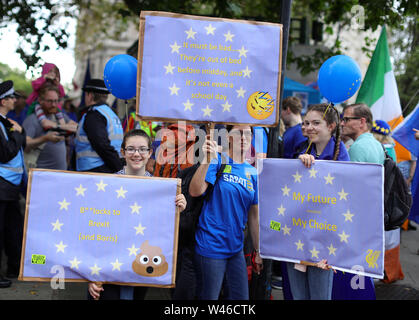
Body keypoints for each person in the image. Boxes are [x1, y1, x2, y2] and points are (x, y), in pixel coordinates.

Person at [87, 129, 186, 300]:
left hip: (141, 266)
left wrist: (178, 209)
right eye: (131, 149)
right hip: (108, 268)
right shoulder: (108, 186)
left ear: (150, 153)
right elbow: (96, 231)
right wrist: (92, 273)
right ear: (123, 152)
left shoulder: (161, 190)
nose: (136, 154)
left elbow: (164, 231)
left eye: (142, 149)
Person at [189, 125, 263, 300]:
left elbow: (254, 216)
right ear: (228, 136)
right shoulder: (217, 161)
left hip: (235, 248)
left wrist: (258, 251)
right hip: (210, 245)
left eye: (247, 134)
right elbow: (195, 191)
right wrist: (207, 160)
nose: (244, 137)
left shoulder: (252, 171)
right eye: (238, 133)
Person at [286, 103, 349, 300]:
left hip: (325, 242)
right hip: (297, 237)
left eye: (315, 123)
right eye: (305, 123)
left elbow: (346, 200)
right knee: (298, 297)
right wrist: (298, 166)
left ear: (331, 126)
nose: (308, 127)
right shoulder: (299, 150)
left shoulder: (342, 156)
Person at [337, 103, 385, 299]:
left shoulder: (357, 147)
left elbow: (351, 191)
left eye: (347, 119)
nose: (342, 123)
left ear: (362, 122)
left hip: (356, 218)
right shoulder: (375, 143)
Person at [0, 81, 26, 288]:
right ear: (3, 101)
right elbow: (6, 152)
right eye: (11, 98)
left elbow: (22, 138)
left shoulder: (6, 121)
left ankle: (13, 266)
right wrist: (17, 134)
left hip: (10, 185)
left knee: (12, 228)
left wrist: (18, 133)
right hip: (2, 184)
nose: (15, 101)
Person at [74, 79, 123, 173]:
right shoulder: (111, 114)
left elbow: (101, 144)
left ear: (90, 95)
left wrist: (119, 168)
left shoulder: (94, 115)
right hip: (108, 168)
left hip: (94, 170)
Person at [23, 86, 77, 170]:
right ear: (40, 101)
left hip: (60, 174)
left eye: (56, 101)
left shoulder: (60, 116)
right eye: (50, 101)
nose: (54, 104)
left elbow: (76, 127)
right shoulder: (32, 120)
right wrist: (45, 138)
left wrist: (56, 126)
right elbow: (25, 144)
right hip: (40, 174)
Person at [26, 63, 67, 130]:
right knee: (38, 109)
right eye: (50, 71)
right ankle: (44, 122)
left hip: (54, 107)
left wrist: (57, 84)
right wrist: (44, 78)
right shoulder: (41, 80)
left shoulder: (56, 84)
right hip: (39, 104)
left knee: (59, 113)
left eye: (54, 72)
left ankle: (63, 126)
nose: (52, 74)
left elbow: (62, 94)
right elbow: (35, 86)